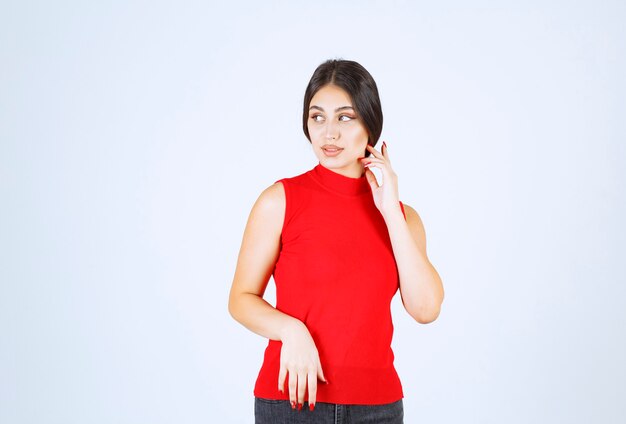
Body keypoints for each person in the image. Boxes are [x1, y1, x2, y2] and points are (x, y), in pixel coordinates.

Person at [228, 58, 444, 424]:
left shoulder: (403, 218)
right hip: (292, 403)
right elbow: (240, 299)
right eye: (317, 117)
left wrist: (390, 210)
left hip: (379, 408)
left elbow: (425, 309)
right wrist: (290, 330)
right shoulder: (279, 201)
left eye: (345, 117)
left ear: (370, 125)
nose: (329, 133)